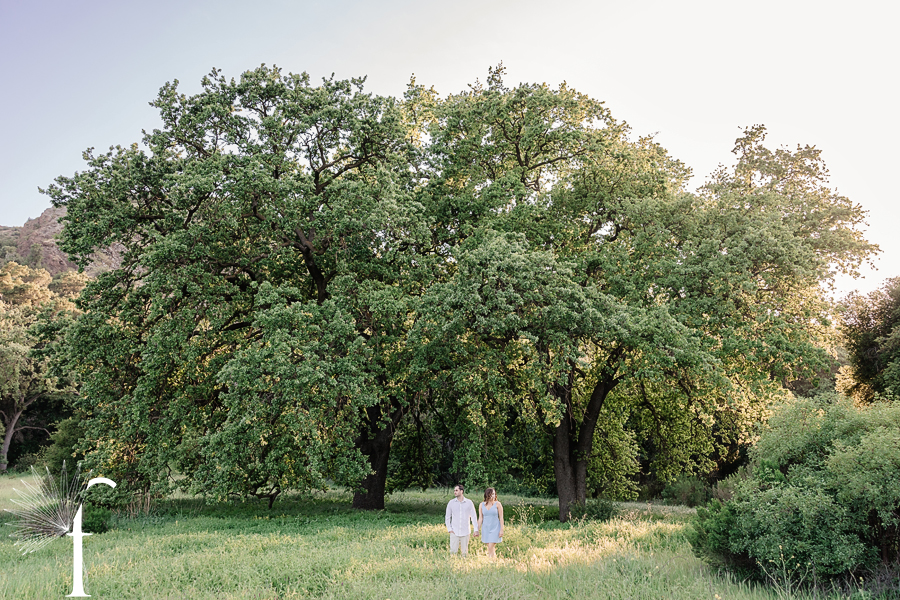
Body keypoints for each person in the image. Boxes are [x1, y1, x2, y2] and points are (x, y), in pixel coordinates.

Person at [445, 484, 478, 557]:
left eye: (456, 490)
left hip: (465, 531)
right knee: (453, 552)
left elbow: (473, 517)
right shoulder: (451, 503)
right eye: (454, 490)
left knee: (465, 553)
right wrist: (449, 529)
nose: (455, 492)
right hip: (454, 531)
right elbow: (447, 517)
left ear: (461, 491)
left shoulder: (469, 503)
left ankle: (464, 566)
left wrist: (476, 529)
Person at [478, 487, 504, 558]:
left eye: (494, 494)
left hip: (495, 528)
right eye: (491, 494)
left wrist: (501, 529)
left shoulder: (498, 504)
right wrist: (477, 529)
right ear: (487, 494)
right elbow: (480, 518)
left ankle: (491, 562)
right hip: (486, 528)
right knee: (490, 548)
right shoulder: (481, 505)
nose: (493, 495)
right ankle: (493, 563)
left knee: (490, 547)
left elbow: (501, 518)